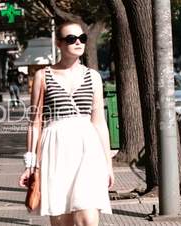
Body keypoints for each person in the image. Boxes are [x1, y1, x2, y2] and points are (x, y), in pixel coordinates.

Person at [18, 21, 114, 226]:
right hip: (55, 150)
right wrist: (30, 164)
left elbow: (99, 123)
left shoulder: (94, 77)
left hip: (87, 149)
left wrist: (109, 165)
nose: (78, 42)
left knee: (88, 218)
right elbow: (35, 123)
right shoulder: (43, 76)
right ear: (59, 44)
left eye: (82, 38)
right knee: (62, 220)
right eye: (71, 39)